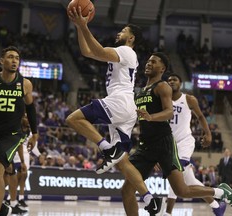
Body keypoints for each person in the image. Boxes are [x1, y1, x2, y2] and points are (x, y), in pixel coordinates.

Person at [121, 52, 232, 216]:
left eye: (154, 62)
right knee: (127, 189)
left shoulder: (163, 87)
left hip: (168, 143)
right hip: (146, 146)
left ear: (162, 68)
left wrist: (151, 117)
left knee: (182, 190)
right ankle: (218, 196)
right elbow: (139, 119)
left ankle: (218, 195)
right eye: (148, 61)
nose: (149, 64)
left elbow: (169, 112)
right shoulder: (141, 92)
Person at [66, 7, 160, 214]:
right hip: (127, 109)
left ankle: (106, 148)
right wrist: (81, 29)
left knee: (72, 119)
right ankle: (149, 198)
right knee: (122, 161)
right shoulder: (122, 53)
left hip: (120, 101)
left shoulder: (126, 51)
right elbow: (87, 52)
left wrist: (83, 25)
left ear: (131, 38)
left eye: (123, 31)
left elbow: (98, 51)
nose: (119, 33)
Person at [0, 46, 38, 216]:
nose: (14, 61)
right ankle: (3, 208)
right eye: (10, 57)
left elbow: (31, 110)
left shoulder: (25, 84)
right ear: (2, 61)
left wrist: (35, 134)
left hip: (12, 135)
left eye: (17, 58)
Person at [163, 73, 226, 216]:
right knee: (189, 180)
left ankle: (168, 213)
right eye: (169, 80)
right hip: (169, 146)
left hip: (185, 142)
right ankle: (217, 206)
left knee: (175, 171)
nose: (171, 81)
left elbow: (201, 117)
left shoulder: (188, 99)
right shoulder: (163, 101)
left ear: (180, 83)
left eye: (175, 80)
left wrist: (208, 133)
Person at [5, 115, 40, 211]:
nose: (28, 120)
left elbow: (31, 145)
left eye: (28, 118)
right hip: (14, 154)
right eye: (25, 118)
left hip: (24, 156)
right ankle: (9, 198)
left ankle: (20, 198)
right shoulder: (16, 128)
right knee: (14, 178)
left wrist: (32, 152)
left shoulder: (30, 131)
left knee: (23, 177)